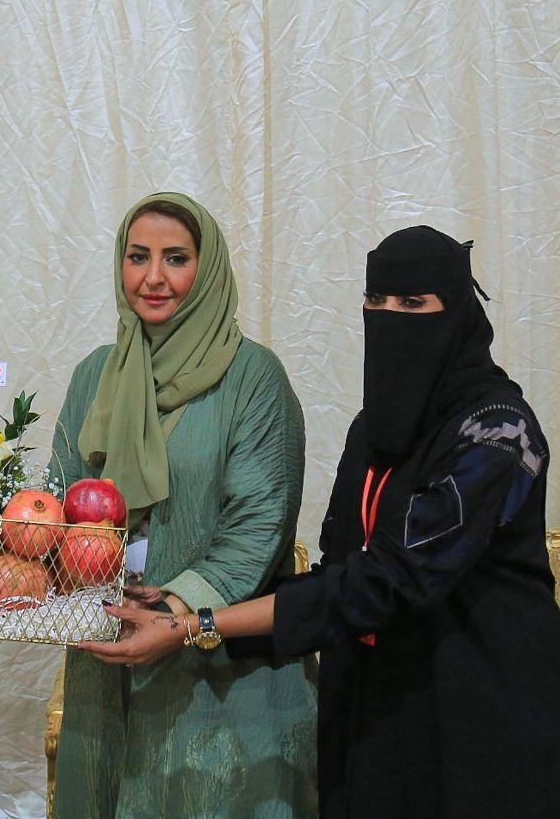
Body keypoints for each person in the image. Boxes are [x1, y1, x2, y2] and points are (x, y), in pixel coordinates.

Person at [84, 226, 560, 818]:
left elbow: (389, 581)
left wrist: (197, 624)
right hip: (376, 704)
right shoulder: (376, 429)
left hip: (480, 706)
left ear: (457, 312)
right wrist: (177, 609)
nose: (390, 317)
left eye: (413, 303)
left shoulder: (497, 431)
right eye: (376, 299)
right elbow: (342, 572)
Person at [51, 192, 318, 817]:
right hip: (108, 650)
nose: (153, 277)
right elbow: (61, 504)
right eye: (137, 257)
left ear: (209, 268)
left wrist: (174, 611)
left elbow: (259, 526)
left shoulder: (253, 377)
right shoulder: (95, 376)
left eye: (176, 258)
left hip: (219, 669)